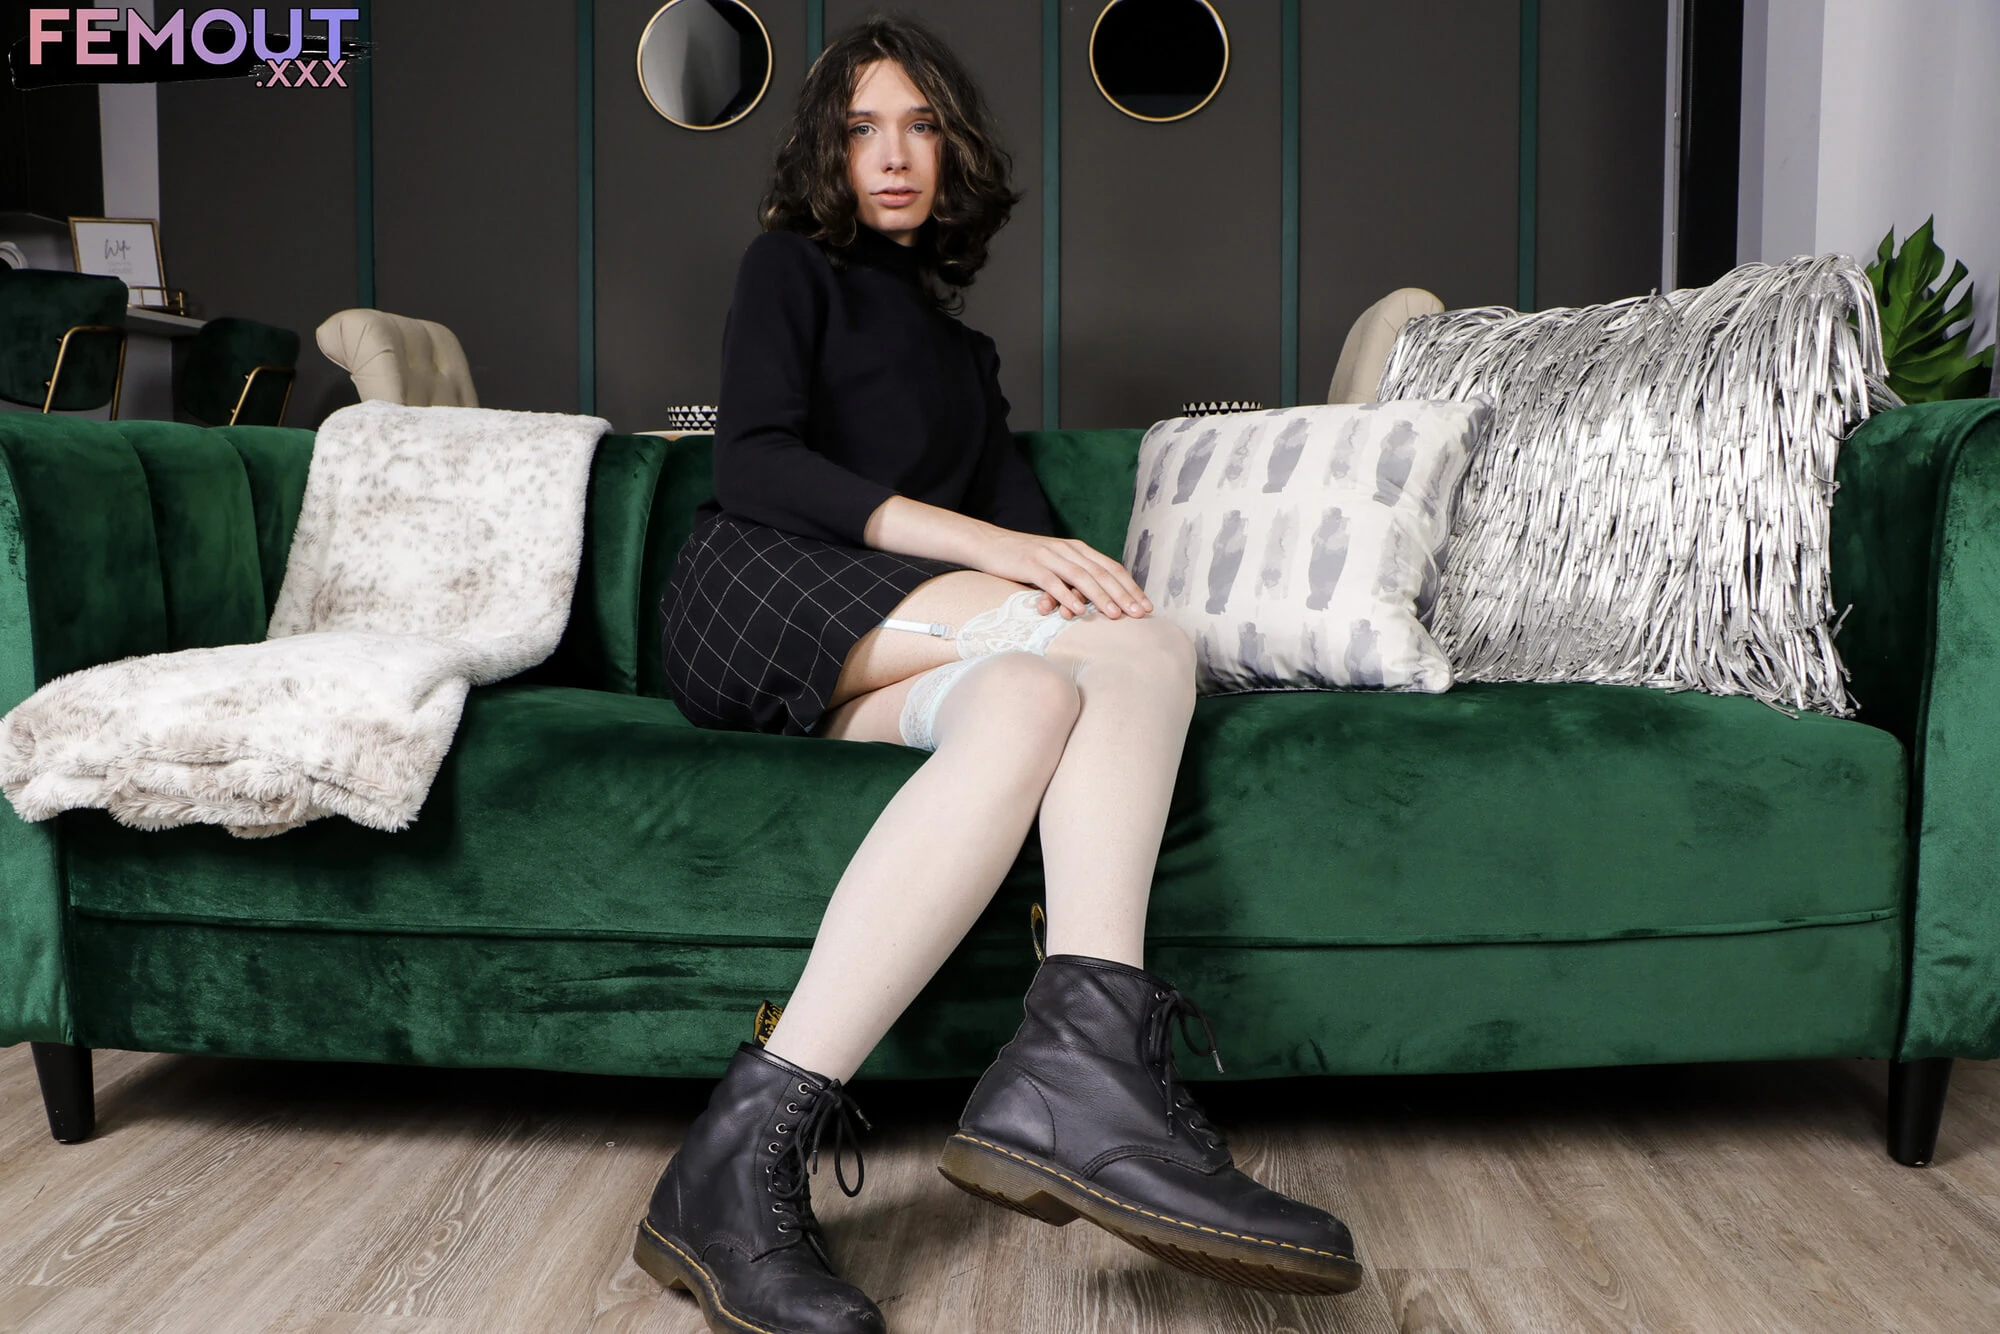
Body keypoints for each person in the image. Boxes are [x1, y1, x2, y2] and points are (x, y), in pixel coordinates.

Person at [638, 16, 1360, 1333]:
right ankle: (1084, 1070)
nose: (893, 154)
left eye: (920, 126)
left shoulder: (960, 358)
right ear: (826, 152)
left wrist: (1064, 574)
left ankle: (727, 1171)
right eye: (862, 128)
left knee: (1042, 690)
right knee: (1136, 649)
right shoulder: (788, 268)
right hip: (754, 590)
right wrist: (1001, 551)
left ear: (953, 150)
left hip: (880, 641)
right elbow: (756, 464)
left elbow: (1050, 566)